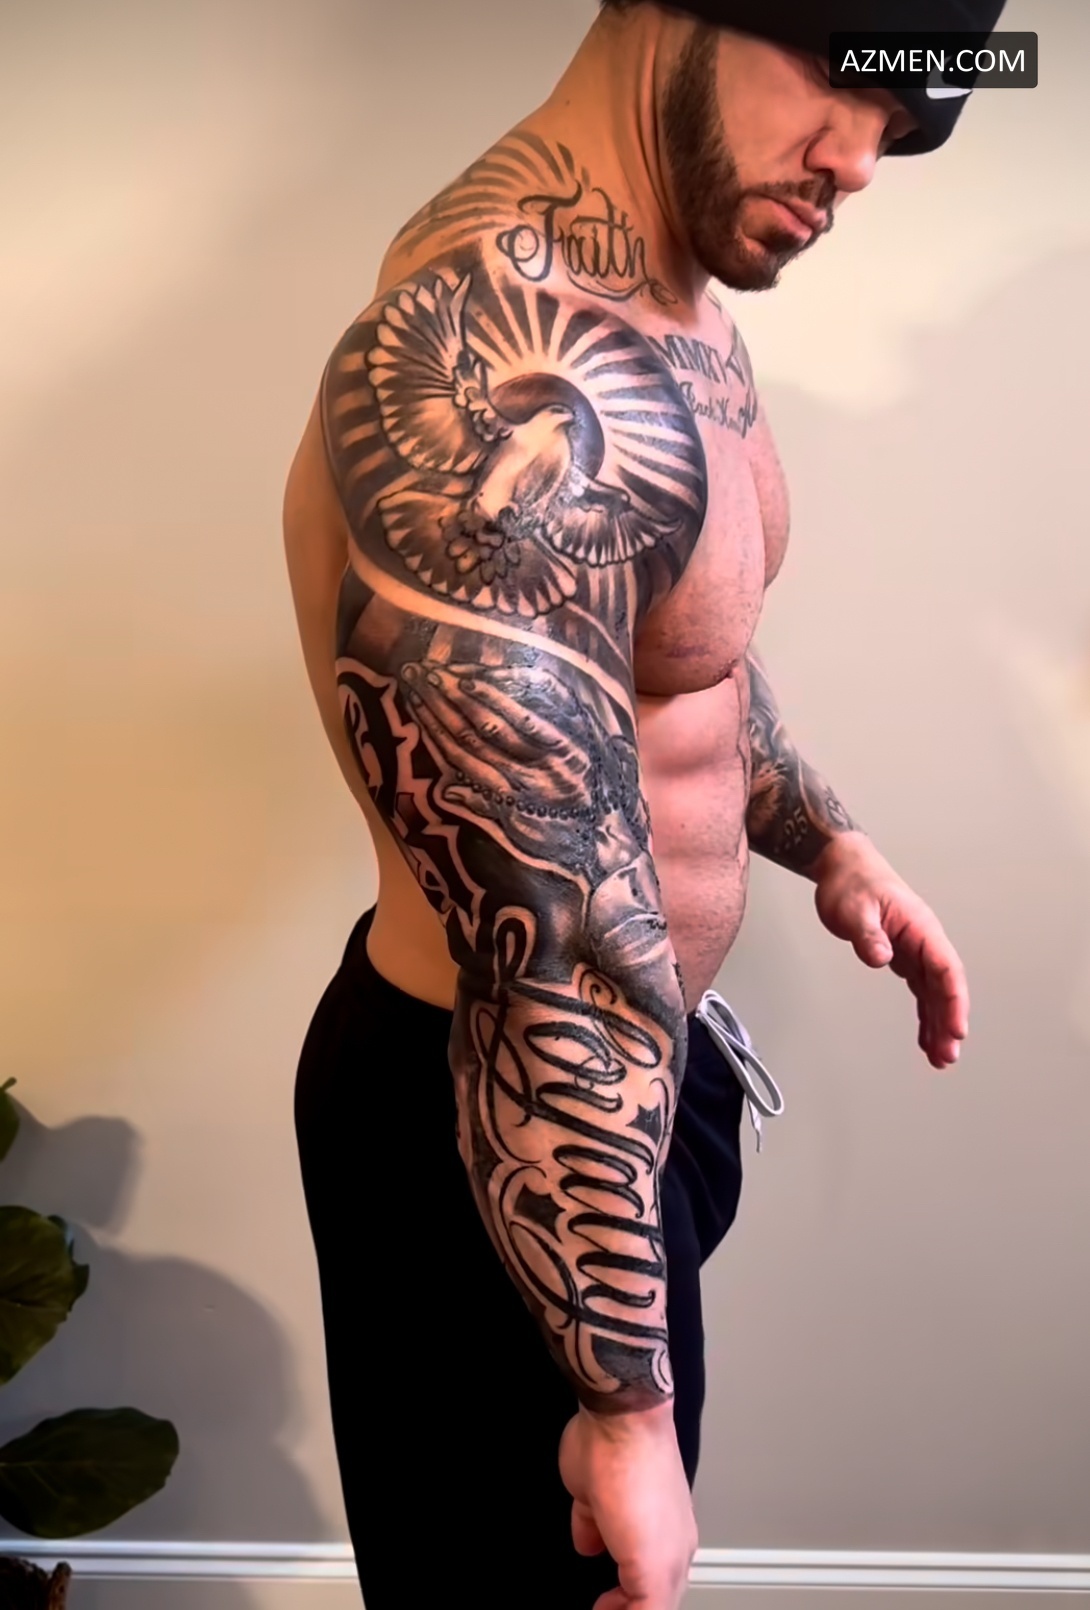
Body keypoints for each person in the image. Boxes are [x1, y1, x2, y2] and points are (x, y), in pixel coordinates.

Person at [284, 3, 1004, 1605]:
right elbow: (539, 927)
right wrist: (621, 1402)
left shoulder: (665, 291)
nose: (858, 161)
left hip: (615, 1111)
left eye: (904, 124)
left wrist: (822, 834)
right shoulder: (506, 347)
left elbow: (672, 658)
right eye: (846, 77)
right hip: (508, 1144)